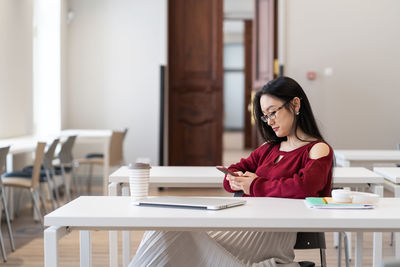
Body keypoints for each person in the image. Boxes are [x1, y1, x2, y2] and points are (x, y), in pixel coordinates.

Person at [129, 76, 333, 267]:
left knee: (167, 230)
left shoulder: (317, 149)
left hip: (268, 240)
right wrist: (236, 180)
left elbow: (304, 187)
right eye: (265, 116)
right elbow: (234, 172)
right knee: (162, 227)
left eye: (273, 112)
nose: (269, 121)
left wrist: (254, 185)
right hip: (242, 228)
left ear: (295, 105)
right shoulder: (269, 149)